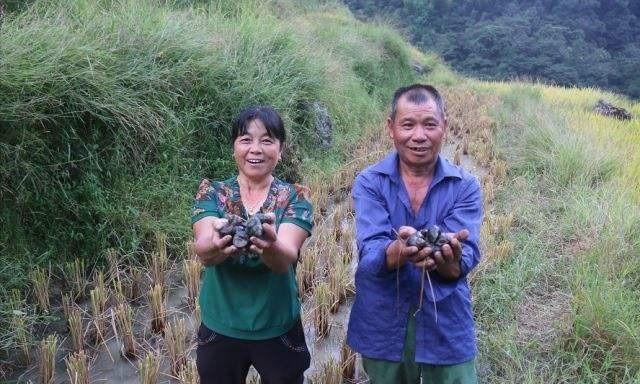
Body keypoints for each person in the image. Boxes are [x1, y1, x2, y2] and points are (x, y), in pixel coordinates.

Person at [347, 84, 483, 384]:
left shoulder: (465, 186)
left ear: (444, 127)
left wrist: (450, 261)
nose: (419, 136)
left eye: (429, 124)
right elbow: (370, 252)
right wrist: (399, 250)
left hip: (445, 323)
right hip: (382, 321)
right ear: (391, 128)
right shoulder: (370, 182)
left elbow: (465, 256)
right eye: (408, 124)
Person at [191, 106, 313, 384]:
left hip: (277, 327)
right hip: (221, 327)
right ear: (234, 147)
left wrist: (268, 243)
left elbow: (284, 260)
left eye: (267, 140)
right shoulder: (212, 192)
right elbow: (204, 251)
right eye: (246, 140)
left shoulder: (295, 197)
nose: (255, 149)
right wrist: (218, 241)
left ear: (280, 150)